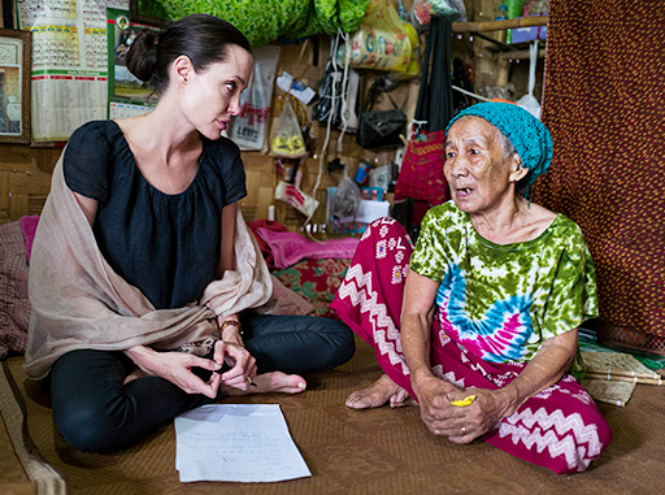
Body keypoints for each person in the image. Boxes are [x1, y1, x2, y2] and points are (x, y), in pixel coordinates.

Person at [24, 14, 354, 454]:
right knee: (90, 423)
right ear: (183, 71)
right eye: (230, 86)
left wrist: (232, 335)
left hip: (194, 327)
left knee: (335, 340)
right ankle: (218, 384)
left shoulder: (222, 160)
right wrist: (152, 360)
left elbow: (226, 270)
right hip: (104, 331)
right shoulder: (95, 147)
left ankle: (207, 373)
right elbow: (65, 284)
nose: (237, 107)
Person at [331, 101, 611, 474]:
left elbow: (560, 345)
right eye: (450, 153)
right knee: (382, 234)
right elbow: (416, 312)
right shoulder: (443, 222)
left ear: (517, 166)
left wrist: (503, 401)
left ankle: (442, 393)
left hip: (517, 372)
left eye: (473, 152)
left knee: (581, 439)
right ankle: (419, 380)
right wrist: (422, 377)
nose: (455, 168)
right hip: (447, 349)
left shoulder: (561, 240)